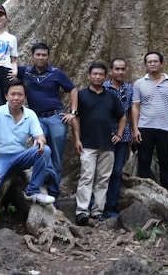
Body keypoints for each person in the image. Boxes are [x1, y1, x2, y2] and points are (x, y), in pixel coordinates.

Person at [0, 79, 55, 248]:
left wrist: (39, 140)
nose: (16, 98)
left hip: (19, 155)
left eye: (20, 94)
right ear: (6, 96)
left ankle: (32, 192)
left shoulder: (29, 114)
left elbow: (40, 136)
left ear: (24, 96)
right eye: (13, 94)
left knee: (45, 151)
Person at [15, 42, 77, 206]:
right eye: (38, 55)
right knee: (40, 151)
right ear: (32, 56)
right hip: (35, 119)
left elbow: (72, 89)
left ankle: (54, 195)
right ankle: (39, 188)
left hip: (56, 118)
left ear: (48, 56)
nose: (41, 57)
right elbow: (7, 67)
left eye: (44, 55)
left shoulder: (56, 73)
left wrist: (73, 112)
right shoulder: (25, 72)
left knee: (56, 156)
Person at [72, 62, 126, 226]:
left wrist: (119, 134)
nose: (97, 77)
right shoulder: (81, 95)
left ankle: (97, 211)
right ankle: (82, 211)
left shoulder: (111, 96)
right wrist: (77, 139)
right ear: (89, 76)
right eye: (94, 74)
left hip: (107, 145)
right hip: (87, 144)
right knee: (86, 177)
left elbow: (122, 116)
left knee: (103, 179)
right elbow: (75, 117)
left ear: (105, 76)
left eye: (100, 74)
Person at [133, 51, 168, 191]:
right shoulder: (139, 83)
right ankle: (145, 192)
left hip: (165, 128)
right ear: (146, 65)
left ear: (161, 64)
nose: (153, 64)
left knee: (165, 162)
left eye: (155, 61)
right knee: (144, 161)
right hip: (145, 127)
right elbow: (135, 106)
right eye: (150, 62)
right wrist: (135, 129)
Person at [102, 58, 137, 218]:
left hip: (123, 137)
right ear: (110, 71)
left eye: (123, 69)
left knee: (117, 172)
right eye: (117, 69)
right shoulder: (103, 87)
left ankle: (111, 206)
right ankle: (95, 206)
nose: (120, 72)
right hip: (104, 136)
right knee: (101, 172)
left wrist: (131, 131)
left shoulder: (130, 89)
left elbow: (131, 111)